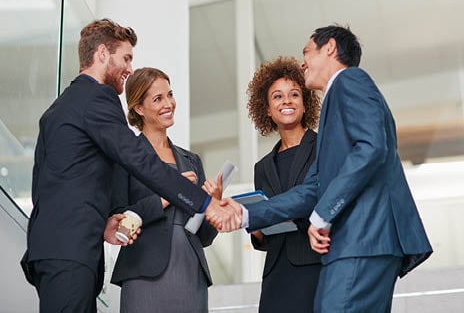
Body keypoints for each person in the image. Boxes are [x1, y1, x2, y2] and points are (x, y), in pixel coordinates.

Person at [20, 18, 239, 313]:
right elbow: (139, 158)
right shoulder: (97, 98)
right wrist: (205, 203)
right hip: (71, 250)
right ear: (101, 54)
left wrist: (104, 225)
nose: (129, 68)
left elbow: (48, 185)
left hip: (56, 247)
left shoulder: (60, 107)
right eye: (126, 58)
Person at [222, 25, 433, 312]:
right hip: (359, 244)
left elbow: (372, 148)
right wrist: (244, 212)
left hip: (363, 239)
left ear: (330, 48)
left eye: (306, 52)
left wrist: (322, 215)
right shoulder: (337, 104)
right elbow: (313, 188)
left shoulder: (350, 80)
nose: (303, 62)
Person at [110, 67, 221, 313]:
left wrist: (213, 204)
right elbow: (119, 222)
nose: (168, 103)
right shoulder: (126, 156)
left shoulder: (191, 160)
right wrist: (170, 193)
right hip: (144, 272)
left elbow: (204, 236)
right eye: (158, 99)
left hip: (191, 272)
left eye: (169, 95)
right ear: (139, 108)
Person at [246, 56, 322, 313]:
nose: (286, 101)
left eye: (294, 95)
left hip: (316, 268)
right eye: (277, 96)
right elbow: (266, 235)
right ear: (267, 109)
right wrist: (255, 228)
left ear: (304, 103)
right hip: (277, 275)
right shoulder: (262, 167)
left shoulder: (323, 147)